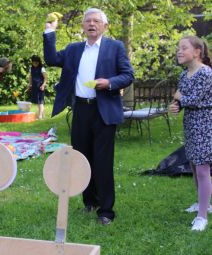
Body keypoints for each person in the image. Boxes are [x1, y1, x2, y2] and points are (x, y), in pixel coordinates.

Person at [43, 8, 134, 225]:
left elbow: (128, 75)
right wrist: (49, 33)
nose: (91, 24)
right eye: (88, 21)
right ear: (83, 26)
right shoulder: (74, 49)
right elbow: (51, 59)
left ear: (105, 26)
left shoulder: (115, 47)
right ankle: (90, 202)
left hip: (103, 110)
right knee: (82, 159)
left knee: (102, 161)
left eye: (96, 21)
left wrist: (110, 83)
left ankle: (106, 211)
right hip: (81, 110)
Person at [169, 35, 212, 231]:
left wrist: (180, 98)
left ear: (197, 52)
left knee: (203, 169)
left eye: (184, 48)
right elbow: (183, 100)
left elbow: (195, 99)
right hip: (191, 125)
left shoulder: (206, 73)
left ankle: (202, 217)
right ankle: (204, 204)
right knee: (194, 166)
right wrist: (176, 105)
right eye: (178, 48)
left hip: (205, 126)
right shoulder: (184, 74)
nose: (179, 51)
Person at [27, 55, 47, 119]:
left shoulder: (42, 68)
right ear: (32, 62)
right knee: (38, 102)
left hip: (41, 86)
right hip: (34, 87)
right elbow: (30, 77)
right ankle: (43, 115)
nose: (35, 64)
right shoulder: (31, 68)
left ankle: (40, 116)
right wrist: (30, 84)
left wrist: (43, 85)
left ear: (39, 62)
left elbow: (45, 78)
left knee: (40, 102)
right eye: (34, 62)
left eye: (37, 62)